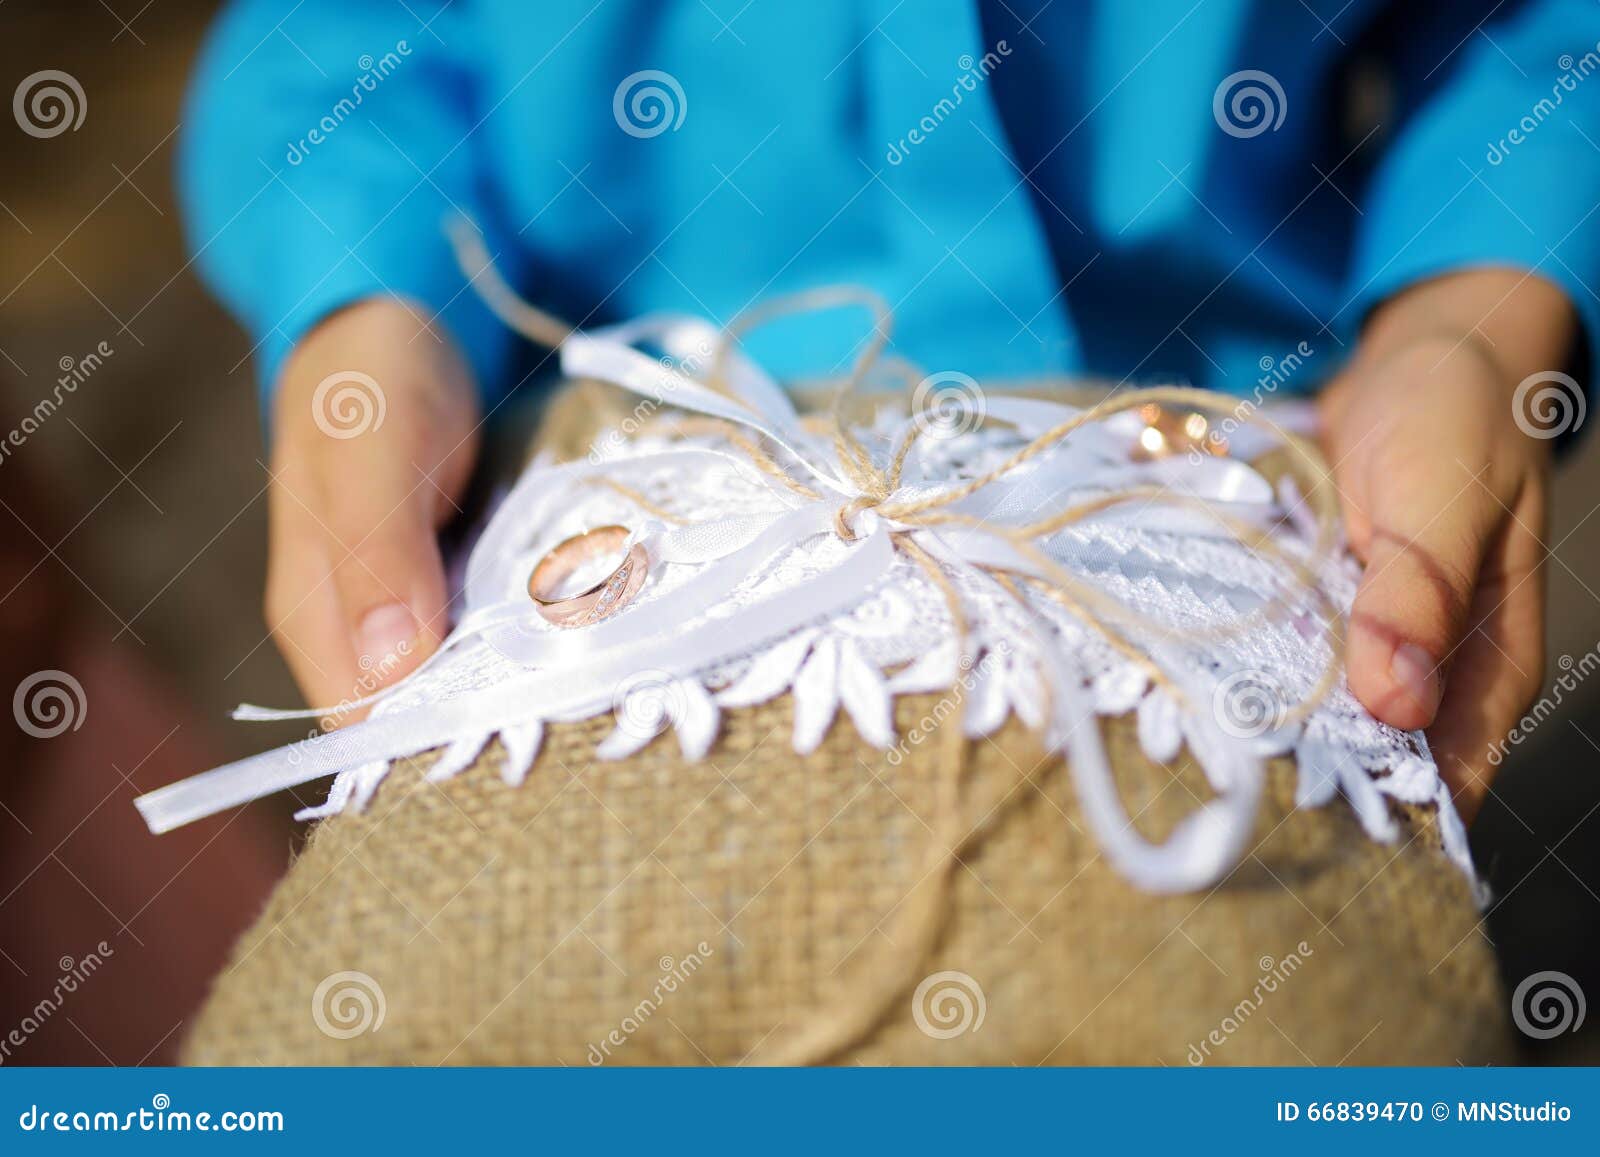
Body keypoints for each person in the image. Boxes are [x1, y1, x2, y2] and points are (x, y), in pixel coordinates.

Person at [180, 1, 1597, 821]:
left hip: (1232, 442)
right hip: (602, 428)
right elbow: (336, 35)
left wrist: (1468, 319)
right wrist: (370, 309)